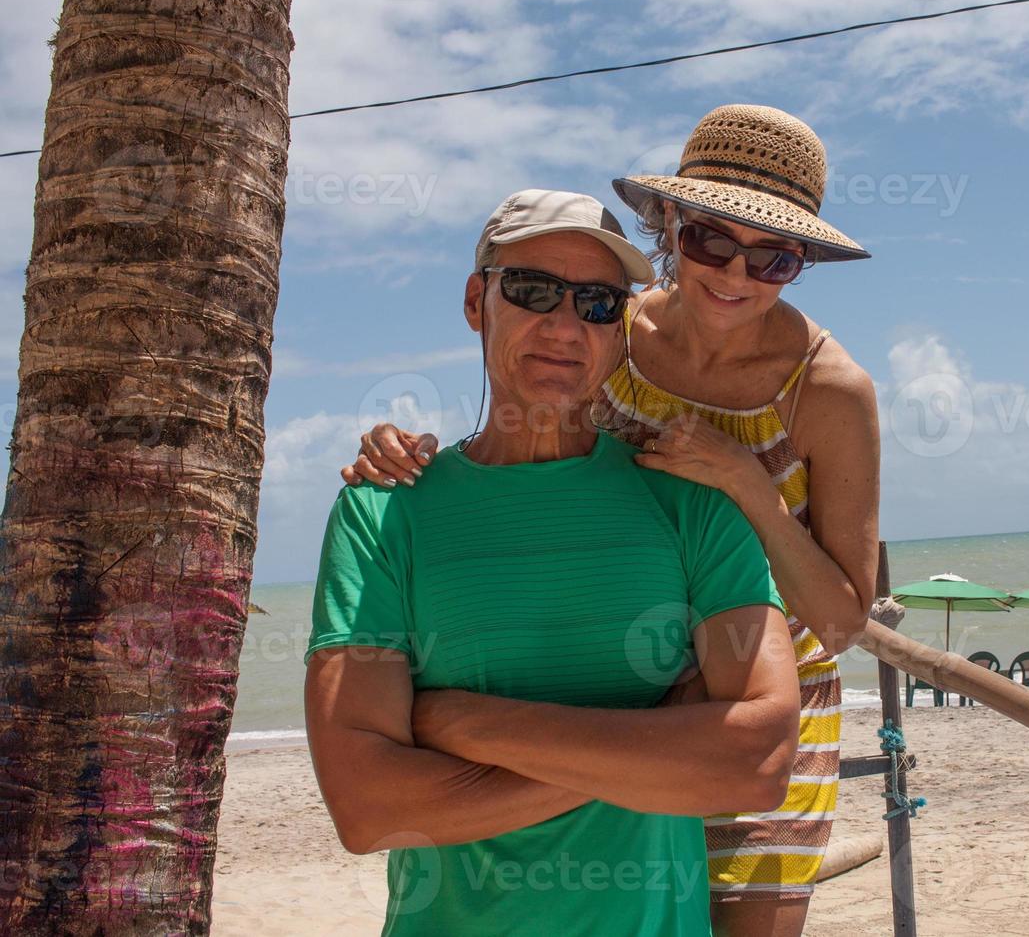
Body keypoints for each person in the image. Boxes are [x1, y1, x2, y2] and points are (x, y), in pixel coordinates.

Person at [343, 105, 882, 936]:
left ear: (800, 261)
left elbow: (844, 617)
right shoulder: (607, 323)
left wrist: (745, 483)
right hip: (615, 687)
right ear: (670, 223)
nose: (737, 275)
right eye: (711, 240)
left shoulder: (829, 389)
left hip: (760, 704)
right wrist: (401, 458)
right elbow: (534, 440)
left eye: (773, 256)